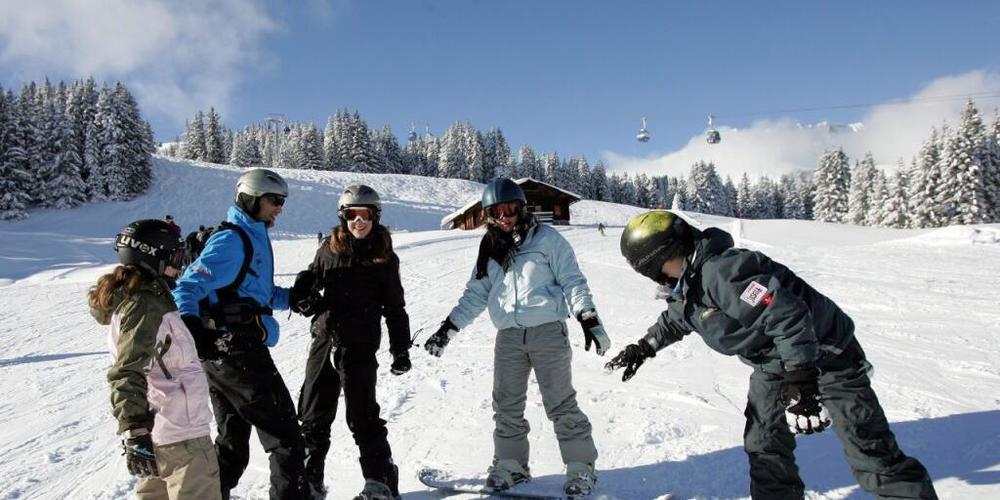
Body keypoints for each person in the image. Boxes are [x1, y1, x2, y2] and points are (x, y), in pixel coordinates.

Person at [607, 210, 938, 500]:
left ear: (678, 247)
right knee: (764, 444)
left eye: (659, 267)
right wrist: (644, 346)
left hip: (826, 354)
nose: (660, 278)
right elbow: (678, 317)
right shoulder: (688, 283)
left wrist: (803, 383)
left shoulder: (723, 272)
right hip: (774, 362)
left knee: (870, 452)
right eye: (650, 274)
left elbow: (787, 316)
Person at [423, 178, 612, 497]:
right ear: (488, 214)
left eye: (511, 208)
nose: (506, 216)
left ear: (522, 208)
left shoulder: (548, 239)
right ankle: (512, 464)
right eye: (498, 210)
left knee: (560, 402)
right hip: (508, 336)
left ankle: (581, 468)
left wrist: (588, 317)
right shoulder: (490, 247)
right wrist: (447, 329)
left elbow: (573, 281)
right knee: (506, 404)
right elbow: (476, 294)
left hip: (547, 331)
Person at [172, 168, 309, 500]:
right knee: (286, 438)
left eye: (283, 201)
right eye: (274, 200)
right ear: (250, 198)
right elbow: (186, 286)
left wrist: (293, 298)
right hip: (235, 350)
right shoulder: (233, 239)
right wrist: (193, 330)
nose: (280, 208)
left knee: (233, 442)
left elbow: (253, 294)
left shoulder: (253, 235)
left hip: (226, 352)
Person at [293, 185, 411, 500]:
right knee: (313, 415)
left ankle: (380, 481)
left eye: (365, 215)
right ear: (343, 217)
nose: (359, 222)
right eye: (351, 215)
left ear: (375, 216)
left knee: (362, 416)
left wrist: (401, 350)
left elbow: (395, 308)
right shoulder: (327, 249)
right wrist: (302, 294)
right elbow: (310, 278)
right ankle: (310, 482)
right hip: (324, 340)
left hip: (358, 345)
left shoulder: (385, 257)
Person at [89, 219, 221, 500]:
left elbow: (161, 356)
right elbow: (127, 370)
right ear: (154, 256)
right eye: (174, 257)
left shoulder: (134, 299)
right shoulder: (145, 304)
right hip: (181, 436)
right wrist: (135, 431)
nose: (179, 264)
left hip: (162, 432)